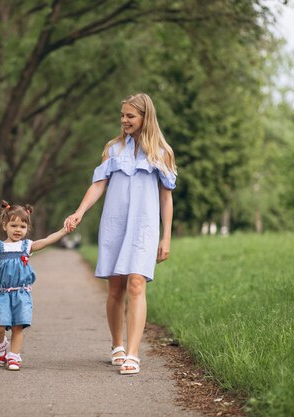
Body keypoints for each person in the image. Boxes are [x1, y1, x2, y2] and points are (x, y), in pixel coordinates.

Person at [64, 93, 176, 375]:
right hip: (115, 224)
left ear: (145, 117)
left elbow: (166, 199)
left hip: (144, 227)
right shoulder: (113, 149)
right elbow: (98, 185)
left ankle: (134, 353)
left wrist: (166, 237)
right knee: (116, 288)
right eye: (123, 115)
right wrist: (79, 211)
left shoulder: (162, 153)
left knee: (137, 284)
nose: (124, 120)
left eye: (130, 116)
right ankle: (117, 345)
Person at [0, 200, 69, 371]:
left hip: (22, 293)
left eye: (22, 227)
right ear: (4, 225)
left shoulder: (27, 246)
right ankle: (1, 347)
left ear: (27, 228)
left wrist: (63, 230)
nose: (18, 230)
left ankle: (14, 356)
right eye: (13, 225)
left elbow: (47, 240)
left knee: (18, 325)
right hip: (2, 293)